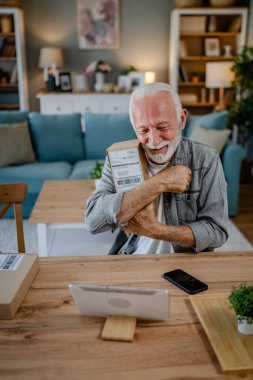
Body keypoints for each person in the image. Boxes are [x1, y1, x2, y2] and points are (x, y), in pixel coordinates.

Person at [85, 82, 228, 254]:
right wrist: (157, 184)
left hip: (186, 267)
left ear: (182, 119)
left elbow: (217, 232)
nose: (153, 140)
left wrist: (157, 231)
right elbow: (93, 221)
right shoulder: (117, 157)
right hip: (131, 260)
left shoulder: (206, 159)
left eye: (162, 127)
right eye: (143, 130)